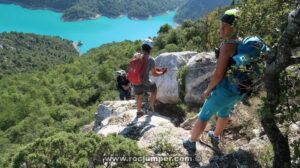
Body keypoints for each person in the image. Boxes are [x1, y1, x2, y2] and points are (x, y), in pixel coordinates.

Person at [183, 9, 245, 152]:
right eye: (221, 25)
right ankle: (215, 135)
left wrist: (208, 89)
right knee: (225, 111)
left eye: (225, 26)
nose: (221, 29)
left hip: (223, 90)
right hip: (237, 90)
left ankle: (191, 142)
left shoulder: (227, 46)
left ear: (234, 28)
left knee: (204, 116)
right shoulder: (242, 42)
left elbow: (218, 74)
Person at [133, 39, 167, 117]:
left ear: (142, 48)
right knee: (154, 89)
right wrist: (162, 72)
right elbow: (154, 74)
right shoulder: (151, 59)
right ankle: (151, 107)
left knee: (140, 95)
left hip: (135, 82)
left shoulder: (136, 56)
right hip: (144, 82)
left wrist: (154, 68)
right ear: (150, 49)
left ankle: (139, 111)